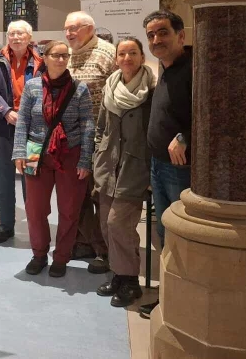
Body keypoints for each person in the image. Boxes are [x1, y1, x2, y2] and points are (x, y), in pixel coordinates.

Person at [13, 41, 94, 277]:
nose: (61, 60)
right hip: (34, 151)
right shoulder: (32, 87)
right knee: (35, 209)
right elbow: (23, 121)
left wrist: (85, 159)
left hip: (71, 152)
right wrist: (19, 152)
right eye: (56, 56)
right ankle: (39, 254)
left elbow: (88, 125)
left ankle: (61, 257)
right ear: (45, 58)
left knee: (69, 209)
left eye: (64, 56)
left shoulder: (80, 89)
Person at [138, 10, 192, 318]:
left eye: (163, 33)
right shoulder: (165, 68)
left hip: (179, 170)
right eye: (151, 35)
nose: (156, 40)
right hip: (159, 166)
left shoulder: (192, 70)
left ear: (181, 36)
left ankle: (181, 303)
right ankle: (171, 297)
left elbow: (210, 113)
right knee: (164, 231)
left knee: (179, 235)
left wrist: (184, 136)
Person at [93, 37, 155, 307]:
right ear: (116, 58)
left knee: (120, 224)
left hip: (135, 167)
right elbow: (100, 128)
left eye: (133, 53)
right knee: (106, 224)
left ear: (141, 57)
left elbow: (157, 134)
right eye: (122, 53)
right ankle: (119, 275)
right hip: (108, 166)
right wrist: (97, 157)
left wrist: (153, 172)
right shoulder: (111, 87)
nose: (127, 58)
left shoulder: (152, 90)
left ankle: (130, 281)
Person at [0, 20, 45, 244]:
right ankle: (6, 226)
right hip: (3, 127)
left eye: (20, 33)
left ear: (29, 37)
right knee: (3, 179)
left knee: (32, 180)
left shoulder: (41, 61)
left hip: (33, 130)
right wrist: (5, 110)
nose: (16, 37)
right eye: (12, 34)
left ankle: (35, 228)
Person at [64, 11, 117, 274]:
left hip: (103, 139)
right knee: (79, 196)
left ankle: (109, 252)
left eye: (74, 28)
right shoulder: (68, 55)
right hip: (73, 140)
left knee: (102, 198)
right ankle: (86, 242)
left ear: (89, 28)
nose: (68, 33)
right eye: (66, 29)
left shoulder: (109, 54)